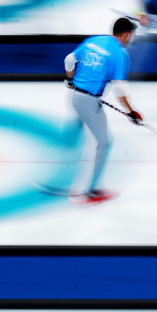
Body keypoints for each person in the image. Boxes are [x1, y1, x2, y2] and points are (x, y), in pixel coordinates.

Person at [53, 17, 142, 204]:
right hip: (88, 102)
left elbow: (69, 60)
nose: (131, 39)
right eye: (131, 36)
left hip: (74, 97)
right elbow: (120, 90)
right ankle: (92, 190)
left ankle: (57, 180)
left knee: (72, 136)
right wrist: (132, 112)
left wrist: (70, 78)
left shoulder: (94, 40)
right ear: (125, 34)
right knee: (104, 143)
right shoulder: (120, 54)